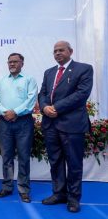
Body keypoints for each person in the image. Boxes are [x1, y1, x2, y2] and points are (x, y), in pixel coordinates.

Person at [39, 41, 93, 213]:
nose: (57, 53)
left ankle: (73, 198)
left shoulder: (84, 69)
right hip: (51, 124)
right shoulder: (49, 72)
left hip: (72, 124)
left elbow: (82, 94)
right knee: (55, 162)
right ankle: (59, 194)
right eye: (55, 51)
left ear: (70, 51)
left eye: (61, 50)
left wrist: (56, 107)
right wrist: (45, 107)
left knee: (74, 163)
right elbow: (43, 94)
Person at [0, 53, 38, 203]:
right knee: (6, 157)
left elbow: (31, 100)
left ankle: (24, 189)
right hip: (5, 122)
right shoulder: (1, 81)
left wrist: (15, 112)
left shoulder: (29, 80)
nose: (12, 64)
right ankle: (7, 187)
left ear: (22, 63)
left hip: (23, 122)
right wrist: (5, 112)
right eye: (10, 62)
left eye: (15, 62)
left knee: (24, 157)